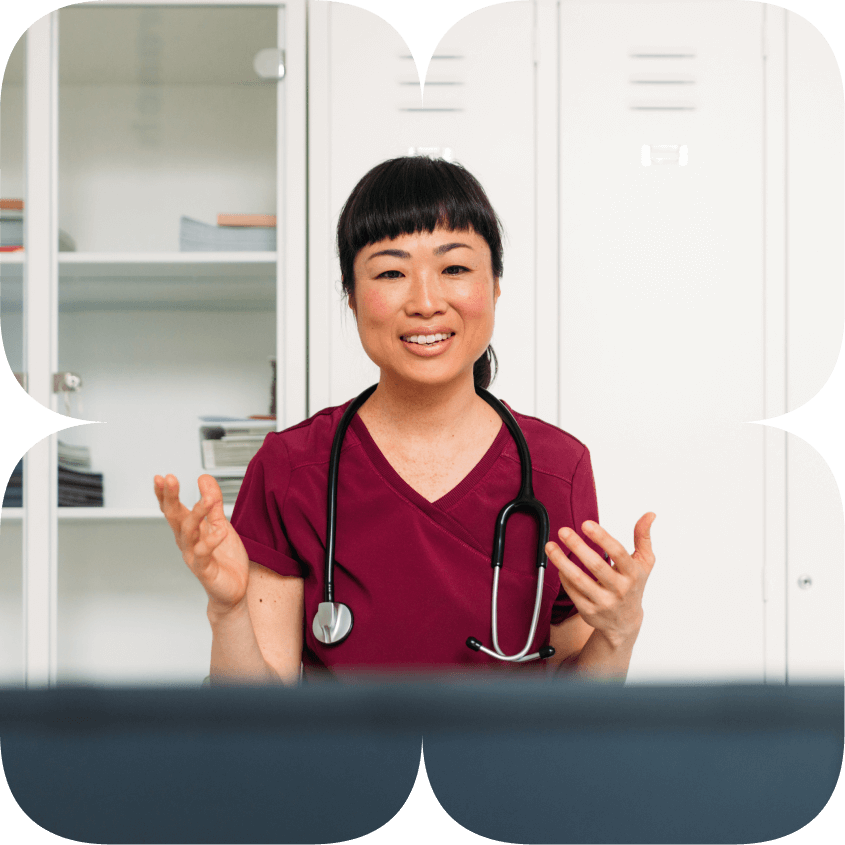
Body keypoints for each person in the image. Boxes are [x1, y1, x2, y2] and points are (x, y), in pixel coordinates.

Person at [154, 156, 656, 687]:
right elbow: (254, 727)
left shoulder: (558, 468)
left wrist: (618, 634)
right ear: (350, 296)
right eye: (391, 272)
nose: (424, 302)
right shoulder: (291, 470)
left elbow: (571, 716)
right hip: (346, 772)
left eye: (454, 269)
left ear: (496, 285)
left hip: (506, 773)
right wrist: (227, 612)